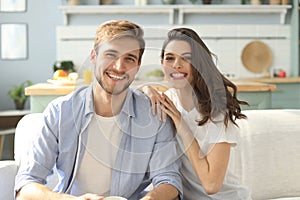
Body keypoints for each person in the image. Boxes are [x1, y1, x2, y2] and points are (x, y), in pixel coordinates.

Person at [14, 20, 182, 200]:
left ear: (138, 66)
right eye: (111, 55)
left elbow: (169, 180)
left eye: (129, 59)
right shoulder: (60, 111)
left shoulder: (153, 115)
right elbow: (26, 185)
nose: (119, 67)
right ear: (93, 56)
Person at [140, 28, 252, 199]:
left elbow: (211, 185)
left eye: (186, 58)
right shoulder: (167, 100)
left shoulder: (216, 113)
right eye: (170, 58)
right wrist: (145, 88)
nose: (176, 64)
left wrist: (182, 126)